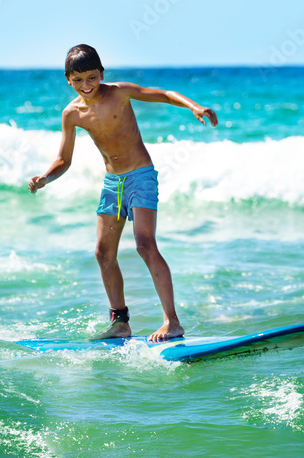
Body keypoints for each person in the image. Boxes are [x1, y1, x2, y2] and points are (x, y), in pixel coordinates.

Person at [28, 44, 218, 342]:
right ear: (68, 79)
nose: (86, 85)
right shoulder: (72, 114)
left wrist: (194, 107)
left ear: (101, 74)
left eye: (92, 77)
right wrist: (45, 178)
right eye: (78, 80)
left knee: (145, 244)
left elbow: (164, 94)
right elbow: (64, 159)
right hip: (112, 185)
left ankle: (172, 322)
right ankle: (120, 322)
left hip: (140, 176)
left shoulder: (119, 92)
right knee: (103, 253)